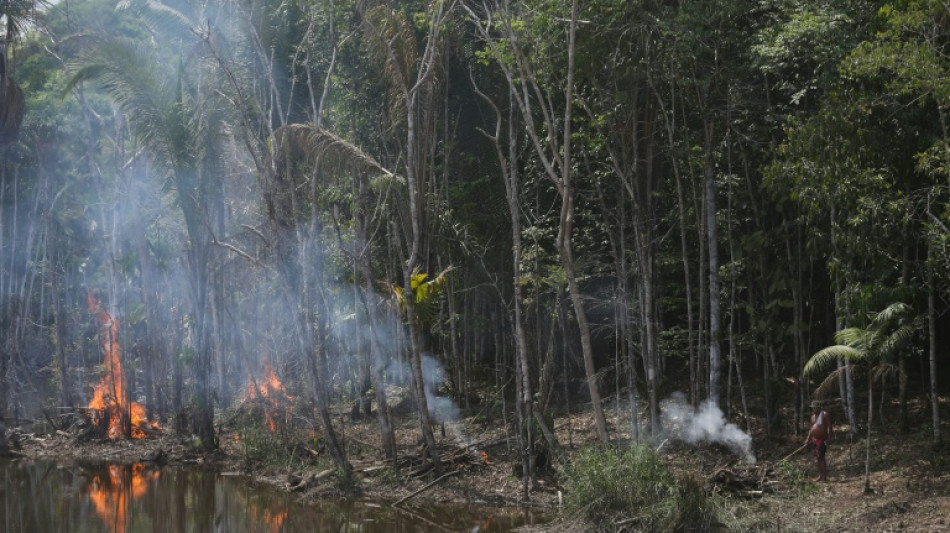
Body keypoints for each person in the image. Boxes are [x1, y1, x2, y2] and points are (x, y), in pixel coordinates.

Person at [806, 400, 833, 481]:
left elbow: (830, 428)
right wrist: (808, 439)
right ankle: (820, 476)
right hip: (815, 440)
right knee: (818, 458)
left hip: (822, 440)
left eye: (815, 408)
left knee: (821, 457)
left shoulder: (824, 415)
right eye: (812, 408)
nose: (814, 409)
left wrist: (828, 439)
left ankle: (824, 477)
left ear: (818, 407)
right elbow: (811, 429)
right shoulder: (812, 417)